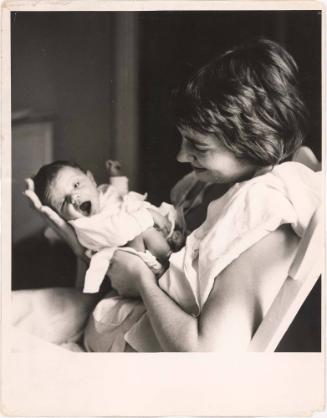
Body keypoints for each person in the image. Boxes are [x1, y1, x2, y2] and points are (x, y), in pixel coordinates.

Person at [20, 38, 321, 352]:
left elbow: (206, 353)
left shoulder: (263, 219)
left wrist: (140, 279)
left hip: (156, 377)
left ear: (254, 144)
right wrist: (76, 239)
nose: (180, 156)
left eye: (199, 147)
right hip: (117, 324)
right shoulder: (202, 186)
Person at [32, 159, 185, 294]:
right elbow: (119, 232)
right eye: (64, 202)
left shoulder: (101, 193)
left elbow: (120, 197)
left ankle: (170, 238)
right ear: (61, 216)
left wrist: (117, 177)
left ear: (91, 179)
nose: (74, 197)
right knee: (146, 233)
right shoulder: (86, 226)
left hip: (145, 242)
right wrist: (149, 215)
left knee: (169, 214)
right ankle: (172, 263)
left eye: (76, 185)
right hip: (132, 266)